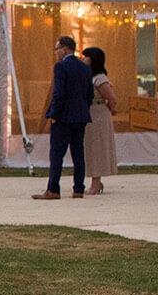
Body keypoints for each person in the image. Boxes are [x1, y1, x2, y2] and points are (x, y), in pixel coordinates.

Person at [36, 35, 94, 200]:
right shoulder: (85, 68)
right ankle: (78, 188)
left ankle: (53, 189)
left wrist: (54, 115)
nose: (55, 53)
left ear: (65, 49)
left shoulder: (61, 67)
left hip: (63, 117)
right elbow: (89, 95)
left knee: (56, 154)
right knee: (78, 153)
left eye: (57, 49)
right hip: (80, 116)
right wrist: (82, 109)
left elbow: (58, 94)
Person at [82, 46, 121, 195]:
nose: (84, 60)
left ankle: (96, 182)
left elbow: (112, 98)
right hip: (91, 113)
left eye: (87, 57)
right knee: (91, 147)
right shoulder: (90, 77)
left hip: (98, 115)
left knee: (97, 147)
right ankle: (95, 180)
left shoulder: (100, 79)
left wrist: (110, 108)